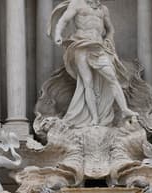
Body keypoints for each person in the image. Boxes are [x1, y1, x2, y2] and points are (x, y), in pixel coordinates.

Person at [49, 0, 137, 128]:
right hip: (81, 44)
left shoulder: (103, 9)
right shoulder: (77, 3)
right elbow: (63, 20)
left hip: (98, 46)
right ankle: (94, 118)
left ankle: (124, 110)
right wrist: (58, 34)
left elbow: (110, 29)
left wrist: (109, 39)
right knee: (87, 83)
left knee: (112, 77)